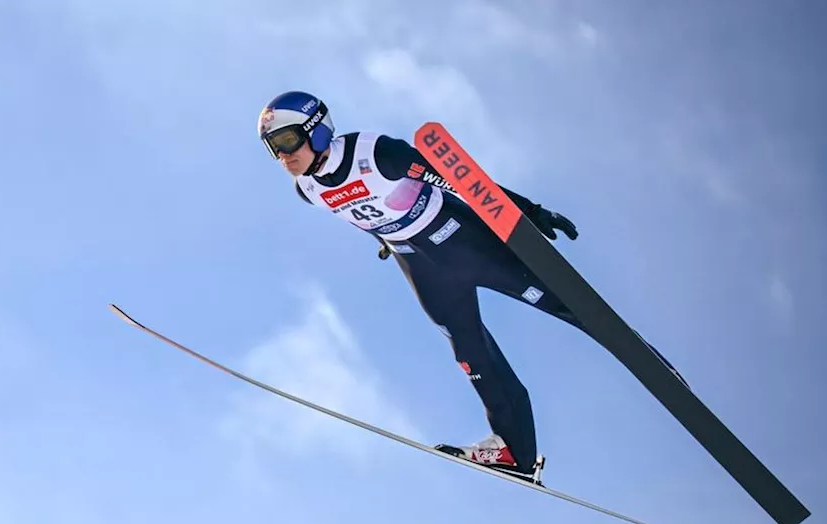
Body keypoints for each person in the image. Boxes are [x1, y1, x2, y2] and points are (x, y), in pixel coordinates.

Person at [257, 89, 682, 480]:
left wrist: (528, 211)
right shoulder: (308, 189)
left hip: (462, 239)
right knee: (469, 351)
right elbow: (362, 211)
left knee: (563, 302)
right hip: (421, 265)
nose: (283, 155)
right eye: (274, 148)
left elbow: (461, 181)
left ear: (318, 129)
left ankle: (651, 364)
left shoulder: (379, 153)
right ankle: (515, 450)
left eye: (289, 140)